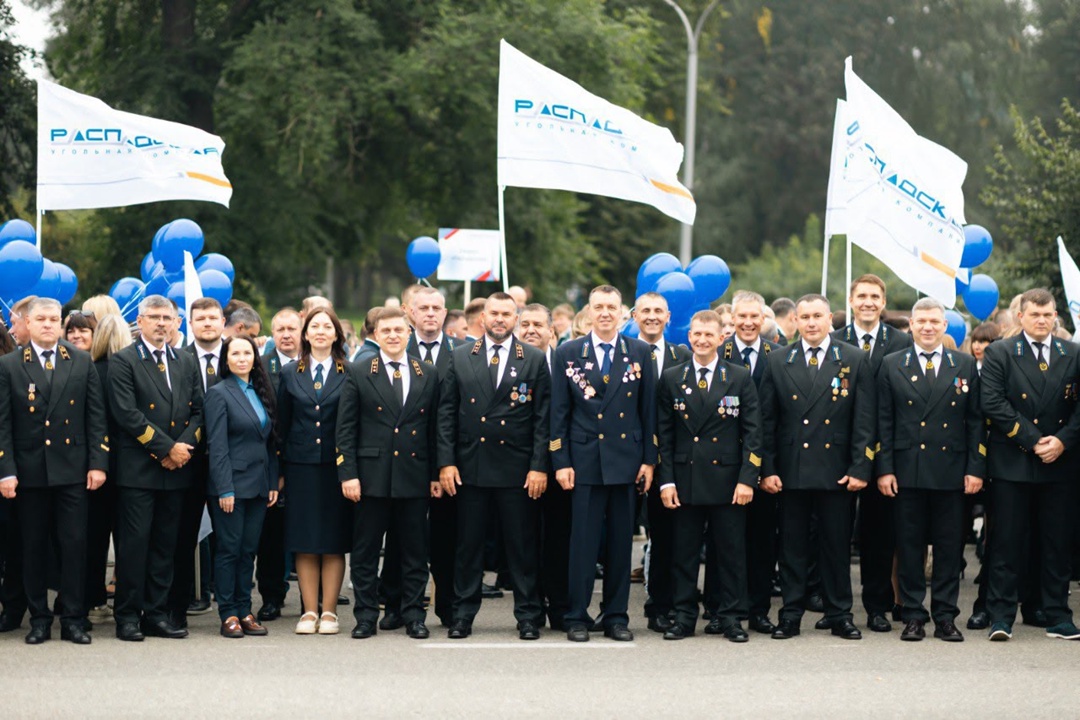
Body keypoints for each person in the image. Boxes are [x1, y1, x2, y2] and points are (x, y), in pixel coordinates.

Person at [759, 294, 875, 641]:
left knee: (836, 547)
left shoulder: (853, 358)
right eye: (805, 317)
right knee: (792, 547)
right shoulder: (779, 360)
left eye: (817, 316)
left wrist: (860, 467)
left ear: (830, 320)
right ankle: (791, 614)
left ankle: (840, 614)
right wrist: (767, 468)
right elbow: (767, 421)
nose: (811, 323)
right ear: (795, 320)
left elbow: (864, 420)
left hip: (836, 470)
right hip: (791, 470)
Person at [437, 293, 551, 640]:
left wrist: (539, 466)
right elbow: (446, 415)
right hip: (471, 467)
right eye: (494, 314)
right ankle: (462, 615)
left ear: (515, 318)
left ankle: (529, 615)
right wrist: (446, 462)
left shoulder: (532, 359)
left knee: (521, 548)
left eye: (506, 314)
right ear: (482, 318)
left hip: (517, 470)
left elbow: (542, 419)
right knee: (467, 547)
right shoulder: (460, 357)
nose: (500, 319)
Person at [550, 285, 657, 642]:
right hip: (583, 463)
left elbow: (648, 413)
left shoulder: (640, 352)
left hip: (625, 462)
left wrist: (649, 460)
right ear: (589, 313)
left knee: (619, 546)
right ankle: (577, 615)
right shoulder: (568, 352)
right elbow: (559, 414)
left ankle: (616, 617)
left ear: (623, 312)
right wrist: (560, 460)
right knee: (581, 543)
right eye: (599, 307)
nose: (606, 313)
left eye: (612, 307)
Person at [0, 298, 108, 645]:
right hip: (30, 473)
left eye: (54, 319)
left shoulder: (79, 361)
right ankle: (40, 620)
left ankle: (74, 619)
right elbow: (2, 424)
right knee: (32, 547)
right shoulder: (10, 365)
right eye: (41, 319)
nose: (49, 324)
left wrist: (97, 463)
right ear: (27, 324)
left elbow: (95, 417)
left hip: (73, 470)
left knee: (74, 545)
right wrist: (6, 471)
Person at [876, 298, 985, 642]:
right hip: (907, 471)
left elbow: (975, 422)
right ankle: (912, 614)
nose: (927, 327)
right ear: (910, 325)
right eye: (921, 321)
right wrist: (884, 468)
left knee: (949, 548)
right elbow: (884, 422)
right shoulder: (892, 364)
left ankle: (945, 615)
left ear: (944, 326)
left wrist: (975, 468)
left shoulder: (964, 364)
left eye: (934, 322)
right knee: (909, 547)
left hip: (951, 472)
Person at [981, 289, 1080, 641]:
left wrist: (1063, 440)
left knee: (1057, 544)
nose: (1042, 320)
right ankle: (1001, 616)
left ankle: (1057, 615)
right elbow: (991, 401)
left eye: (1048, 314)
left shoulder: (1074, 353)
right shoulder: (1001, 352)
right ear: (1020, 316)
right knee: (1007, 543)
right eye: (1035, 314)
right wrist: (1033, 438)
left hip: (1060, 463)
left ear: (1056, 317)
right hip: (1013, 462)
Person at [657, 310, 761, 642]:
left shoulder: (739, 377)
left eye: (708, 335)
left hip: (728, 482)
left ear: (721, 338)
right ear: (689, 337)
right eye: (696, 334)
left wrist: (748, 478)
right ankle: (684, 616)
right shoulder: (672, 377)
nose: (701, 340)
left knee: (731, 554)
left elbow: (754, 433)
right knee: (684, 554)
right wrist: (666, 480)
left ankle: (730, 617)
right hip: (685, 479)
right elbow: (665, 434)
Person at [337, 307, 440, 640]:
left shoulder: (427, 372)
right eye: (387, 331)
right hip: (371, 476)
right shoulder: (359, 370)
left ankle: (413, 615)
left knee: (414, 552)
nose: (393, 336)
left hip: (413, 474)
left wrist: (436, 473)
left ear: (409, 333)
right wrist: (348, 474)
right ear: (376, 335)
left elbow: (433, 428)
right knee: (365, 553)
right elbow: (346, 428)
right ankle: (366, 615)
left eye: (399, 330)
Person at [108, 295, 204, 641]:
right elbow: (126, 413)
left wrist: (182, 449)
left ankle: (157, 613)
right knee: (135, 547)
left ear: (177, 322)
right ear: (140, 320)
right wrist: (167, 448)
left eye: (168, 317)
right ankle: (129, 616)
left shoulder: (185, 360)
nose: (162, 323)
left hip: (177, 469)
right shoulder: (124, 361)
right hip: (140, 471)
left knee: (166, 546)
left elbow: (198, 411)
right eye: (155, 317)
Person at [831, 274, 913, 634]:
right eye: (861, 295)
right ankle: (836, 608)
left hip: (885, 454)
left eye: (874, 296)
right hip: (839, 455)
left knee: (880, 537)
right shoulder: (834, 341)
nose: (868, 301)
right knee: (835, 535)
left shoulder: (901, 342)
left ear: (883, 302)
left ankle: (878, 607)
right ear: (851, 300)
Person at [277, 307, 352, 635]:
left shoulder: (350, 371)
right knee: (304, 539)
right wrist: (280, 470)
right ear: (305, 334)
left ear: (337, 334)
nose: (321, 331)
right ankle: (308, 611)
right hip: (301, 467)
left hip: (336, 469)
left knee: (333, 540)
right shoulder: (291, 372)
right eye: (314, 326)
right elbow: (282, 424)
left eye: (327, 326)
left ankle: (330, 612)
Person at [206, 335, 280, 638]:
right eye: (234, 353)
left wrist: (273, 480)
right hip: (231, 488)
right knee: (229, 550)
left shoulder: (261, 392)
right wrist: (225, 488)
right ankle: (228, 613)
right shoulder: (219, 393)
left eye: (246, 353)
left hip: (260, 486)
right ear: (226, 359)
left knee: (248, 550)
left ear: (254, 357)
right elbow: (217, 446)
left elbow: (271, 441)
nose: (241, 358)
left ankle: (245, 609)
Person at [719, 291, 782, 635]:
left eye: (754, 317)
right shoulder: (718, 353)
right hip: (725, 464)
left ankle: (758, 609)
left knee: (761, 540)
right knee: (723, 540)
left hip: (765, 464)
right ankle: (721, 607)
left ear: (763, 319)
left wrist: (767, 468)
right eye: (741, 316)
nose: (747, 323)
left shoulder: (778, 356)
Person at [632, 292, 691, 633]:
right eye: (646, 311)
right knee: (614, 536)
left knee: (666, 536)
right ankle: (610, 609)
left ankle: (660, 606)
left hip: (668, 462)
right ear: (635, 316)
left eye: (658, 311)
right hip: (626, 458)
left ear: (668, 316)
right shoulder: (621, 353)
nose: (652, 316)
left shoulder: (682, 356)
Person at [401, 285, 458, 627]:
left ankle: (448, 607)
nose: (431, 314)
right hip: (403, 460)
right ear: (410, 311)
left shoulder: (464, 352)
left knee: (445, 537)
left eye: (437, 308)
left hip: (447, 461)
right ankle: (399, 606)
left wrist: (446, 463)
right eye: (424, 308)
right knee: (402, 537)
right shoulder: (395, 349)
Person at [167, 297, 226, 628]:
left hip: (229, 464)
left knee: (231, 539)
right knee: (182, 537)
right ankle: (178, 606)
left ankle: (233, 609)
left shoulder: (238, 356)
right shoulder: (177, 358)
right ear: (190, 324)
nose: (207, 323)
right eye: (200, 318)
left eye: (213, 317)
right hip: (187, 461)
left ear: (222, 322)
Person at [518, 304, 568, 629]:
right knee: (526, 541)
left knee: (561, 540)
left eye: (538, 324)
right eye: (525, 324)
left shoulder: (567, 364)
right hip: (522, 468)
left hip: (563, 467)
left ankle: (561, 608)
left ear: (552, 331)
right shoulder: (511, 365)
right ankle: (531, 610)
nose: (531, 330)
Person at [85, 314, 133, 625]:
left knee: (94, 538)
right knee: (129, 539)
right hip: (131, 467)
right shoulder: (132, 371)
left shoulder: (89, 371)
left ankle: (94, 600)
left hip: (95, 466)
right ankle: (128, 602)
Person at [255, 307, 301, 622]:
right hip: (272, 463)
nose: (286, 335)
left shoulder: (314, 365)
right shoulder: (261, 367)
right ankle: (272, 596)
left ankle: (317, 600)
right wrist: (277, 470)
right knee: (270, 537)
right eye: (280, 329)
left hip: (309, 462)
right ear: (273, 334)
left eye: (291, 329)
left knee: (309, 532)